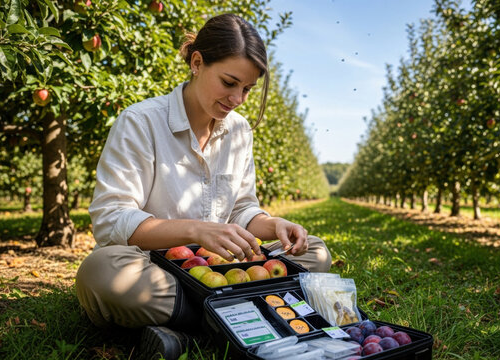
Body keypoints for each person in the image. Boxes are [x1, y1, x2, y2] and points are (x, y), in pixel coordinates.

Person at [75, 13, 332, 360]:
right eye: (229, 83)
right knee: (102, 273)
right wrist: (198, 229)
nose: (237, 99)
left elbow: (243, 208)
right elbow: (111, 220)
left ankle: (187, 328)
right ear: (197, 63)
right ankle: (239, 317)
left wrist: (275, 226)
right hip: (161, 271)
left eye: (247, 89)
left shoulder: (239, 131)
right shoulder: (141, 122)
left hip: (227, 268)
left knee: (314, 251)